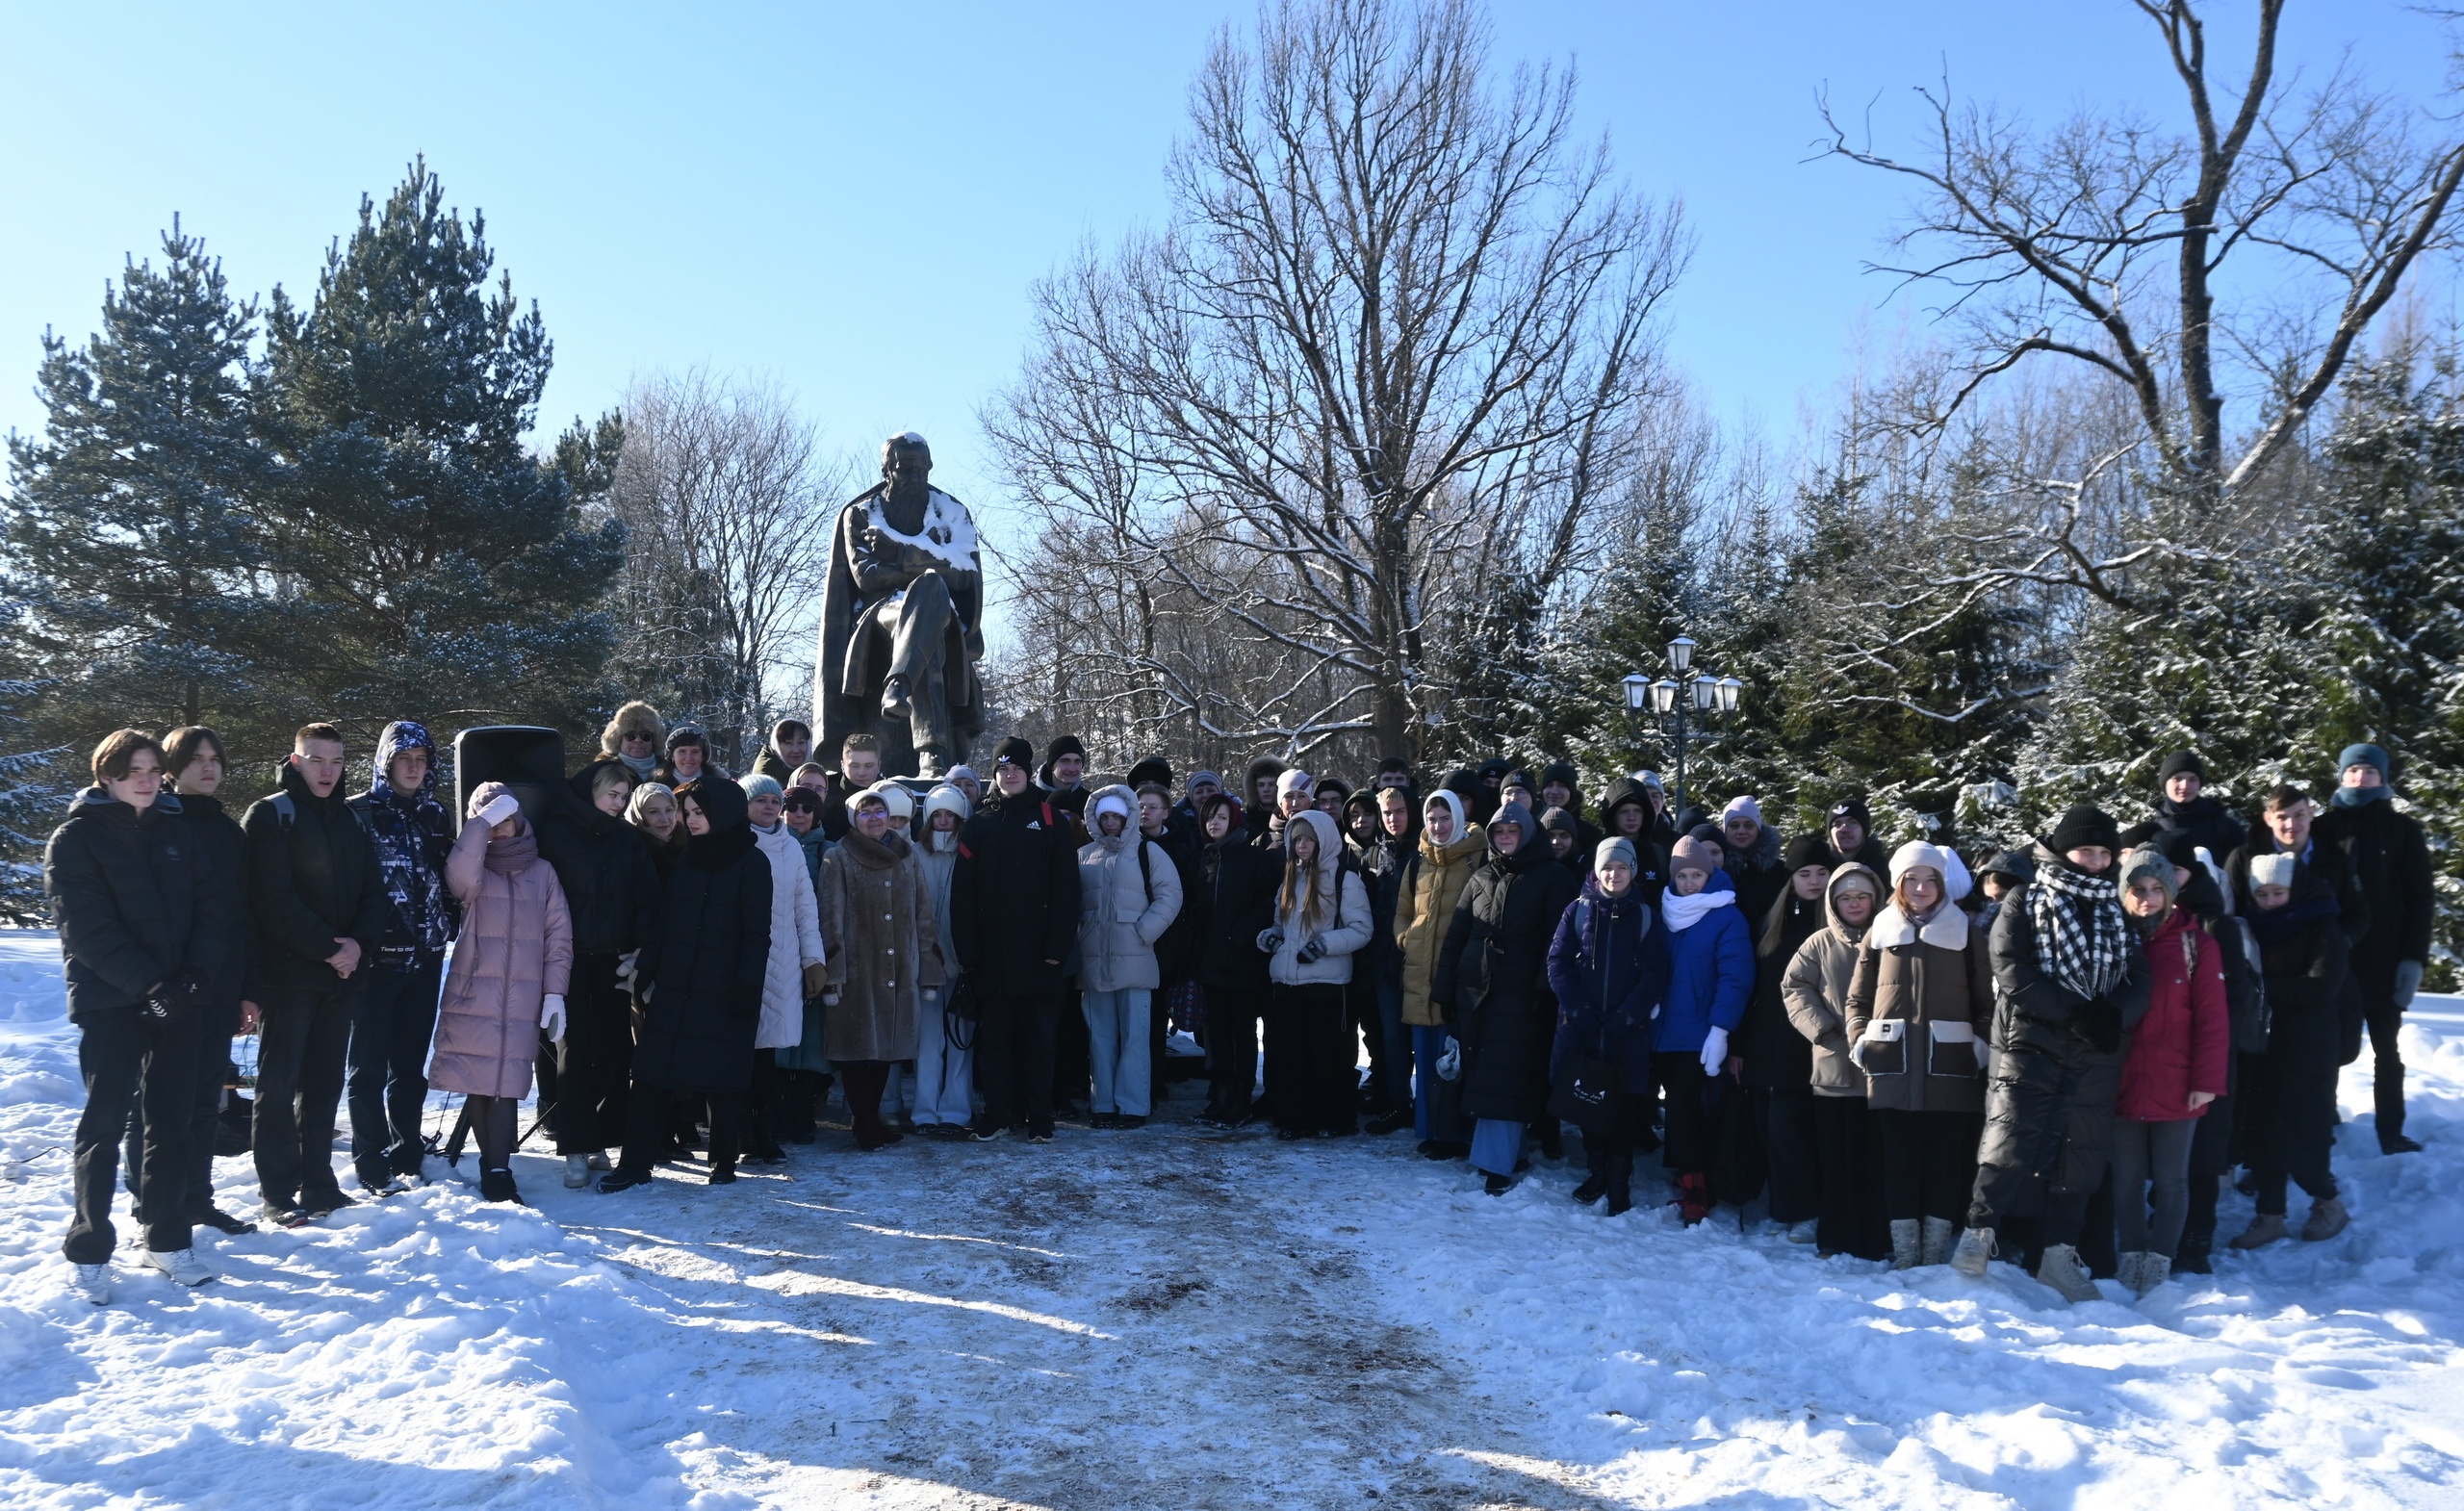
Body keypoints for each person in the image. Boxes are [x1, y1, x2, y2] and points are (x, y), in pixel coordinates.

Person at [53, 730, 227, 1301]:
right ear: (106, 775)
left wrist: (193, 978)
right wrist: (148, 986)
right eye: (133, 771)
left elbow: (210, 907)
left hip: (180, 999)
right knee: (104, 1125)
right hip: (112, 1003)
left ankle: (166, 1235)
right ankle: (89, 1246)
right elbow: (86, 929)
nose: (146, 780)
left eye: (153, 769)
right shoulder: (76, 839)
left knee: (170, 1121)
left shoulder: (178, 833)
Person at [1953, 806, 2152, 1303]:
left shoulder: (2116, 911)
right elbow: (2010, 968)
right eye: (2087, 850)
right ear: (2064, 850)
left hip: (2095, 1050)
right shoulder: (2026, 899)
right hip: (2031, 1040)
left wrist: (2113, 1015)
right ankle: (1977, 1237)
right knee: (2010, 1139)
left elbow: (2139, 978)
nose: (2096, 861)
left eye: (2105, 853)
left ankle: (2058, 1257)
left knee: (2081, 1154)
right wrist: (2075, 1012)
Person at [244, 723, 389, 1226]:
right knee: (279, 1086)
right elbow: (271, 902)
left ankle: (319, 1184)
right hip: (288, 977)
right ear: (296, 760)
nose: (327, 771)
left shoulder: (349, 820)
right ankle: (278, 1192)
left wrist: (359, 946)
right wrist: (332, 948)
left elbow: (374, 891)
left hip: (342, 978)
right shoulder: (269, 816)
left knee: (324, 1084)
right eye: (316, 759)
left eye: (336, 761)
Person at [603, 777, 772, 1191]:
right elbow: (665, 919)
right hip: (677, 983)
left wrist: (747, 986)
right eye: (688, 812)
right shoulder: (689, 858)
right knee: (650, 1074)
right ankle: (634, 1163)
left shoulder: (753, 863)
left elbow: (756, 933)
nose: (689, 820)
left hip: (725, 986)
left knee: (724, 1078)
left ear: (722, 813)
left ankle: (723, 1161)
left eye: (698, 812)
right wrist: (648, 968)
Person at [1845, 842, 1993, 1269]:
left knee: (1945, 1160)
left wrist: (1979, 1045)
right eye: (1913, 878)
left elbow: (1988, 1001)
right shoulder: (1880, 929)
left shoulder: (1966, 932)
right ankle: (1907, 1252)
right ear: (1899, 883)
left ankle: (1934, 1249)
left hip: (1951, 1065)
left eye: (1931, 879)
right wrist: (1860, 1038)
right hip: (1892, 1064)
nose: (1922, 887)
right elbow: (1858, 997)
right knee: (1899, 1161)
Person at [429, 784, 574, 1204]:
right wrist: (482, 822)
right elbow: (457, 877)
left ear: (520, 819)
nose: (498, 830)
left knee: (508, 1083)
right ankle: (492, 1170)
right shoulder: (474, 871)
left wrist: (554, 993)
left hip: (524, 998)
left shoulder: (543, 872)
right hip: (476, 993)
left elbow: (558, 938)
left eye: (505, 818)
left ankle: (499, 1169)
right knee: (479, 1081)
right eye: (489, 821)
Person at [141, 728, 256, 1239]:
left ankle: (198, 1200)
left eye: (215, 758)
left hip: (223, 985)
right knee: (164, 1105)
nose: (208, 768)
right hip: (171, 988)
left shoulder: (231, 831)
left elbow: (246, 916)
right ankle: (155, 1205)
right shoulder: (155, 823)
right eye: (196, 759)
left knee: (209, 1097)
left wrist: (251, 989)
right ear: (172, 766)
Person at [1433, 803, 1580, 1192]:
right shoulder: (1481, 876)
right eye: (1499, 832)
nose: (1505, 838)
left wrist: (1543, 991)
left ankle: (1496, 1161)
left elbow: (1559, 941)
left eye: (1512, 831)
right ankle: (1507, 1154)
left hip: (1521, 995)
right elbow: (1456, 937)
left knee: (1508, 1076)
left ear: (1528, 833)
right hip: (1474, 990)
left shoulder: (1553, 876)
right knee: (1487, 1074)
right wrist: (1444, 987)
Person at [2108, 846, 2229, 1295]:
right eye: (2137, 889)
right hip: (2120, 1080)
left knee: (2173, 1178)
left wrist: (2205, 1082)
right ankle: (2132, 1255)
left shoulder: (2195, 944)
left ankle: (2159, 1260)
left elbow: (2213, 1019)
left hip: (2177, 1082)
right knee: (2126, 1178)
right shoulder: (2112, 938)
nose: (2147, 898)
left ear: (2171, 892)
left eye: (2156, 888)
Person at [950, 736, 1083, 1142]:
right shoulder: (980, 823)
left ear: (1028, 772)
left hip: (1041, 958)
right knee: (995, 1043)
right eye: (1003, 769)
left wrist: (1057, 949)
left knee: (1040, 1041)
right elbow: (962, 894)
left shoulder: (1050, 820)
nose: (1010, 775)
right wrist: (968, 951)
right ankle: (997, 1113)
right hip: (992, 958)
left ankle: (1039, 1116)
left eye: (1018, 769)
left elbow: (1067, 891)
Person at [345, 720, 457, 1198]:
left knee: (410, 1068)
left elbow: (448, 876)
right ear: (386, 763)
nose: (413, 768)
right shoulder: (356, 813)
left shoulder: (435, 815)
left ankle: (406, 1148)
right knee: (367, 1068)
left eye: (421, 760)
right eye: (403, 760)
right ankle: (369, 1159)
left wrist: (448, 924)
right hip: (374, 963)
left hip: (425, 959)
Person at [537, 756, 661, 1188]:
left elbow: (647, 897)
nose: (618, 803)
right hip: (565, 958)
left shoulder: (627, 839)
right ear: (592, 790)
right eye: (612, 794)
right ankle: (574, 1143)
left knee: (613, 1052)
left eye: (624, 797)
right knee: (573, 1050)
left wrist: (642, 949)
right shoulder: (554, 832)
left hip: (613, 959)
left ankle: (601, 1140)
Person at [2229, 851, 2353, 1247]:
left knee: (2303, 1129)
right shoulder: (2252, 929)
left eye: (2277, 892)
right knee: (2263, 1129)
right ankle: (2270, 1214)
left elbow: (2323, 986)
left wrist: (2262, 990)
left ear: (2294, 889)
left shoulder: (2322, 926)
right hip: (2263, 1042)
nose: (2269, 901)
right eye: (2261, 894)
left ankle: (2327, 1200)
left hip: (2309, 1045)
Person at [2316, 744, 2434, 1154]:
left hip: (2385, 958)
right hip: (2334, 954)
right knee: (2326, 1044)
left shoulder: (2403, 830)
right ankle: (2322, 1116)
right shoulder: (2322, 828)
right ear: (2341, 776)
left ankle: (2391, 1131)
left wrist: (2413, 959)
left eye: (2368, 773)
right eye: (2353, 772)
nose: (2360, 779)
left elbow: (2421, 899)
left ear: (2383, 779)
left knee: (2388, 1048)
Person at [1546, 837, 1673, 1215]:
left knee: (1623, 1108)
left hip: (1626, 1032)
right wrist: (1577, 1008)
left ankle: (1619, 1181)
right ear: (1596, 871)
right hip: (1582, 1028)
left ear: (1632, 870)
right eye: (1607, 867)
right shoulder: (1578, 911)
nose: (1613, 874)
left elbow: (1656, 973)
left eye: (1621, 867)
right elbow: (1558, 962)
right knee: (1588, 1103)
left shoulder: (1646, 915)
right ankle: (1597, 1171)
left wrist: (1628, 1015)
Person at [818, 789, 944, 1149]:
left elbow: (923, 913)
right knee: (860, 1051)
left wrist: (930, 969)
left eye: (879, 812)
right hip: (859, 971)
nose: (873, 819)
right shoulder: (838, 857)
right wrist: (835, 975)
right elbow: (831, 919)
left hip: (900, 968)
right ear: (853, 818)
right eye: (865, 812)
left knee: (886, 1049)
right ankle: (864, 1122)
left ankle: (870, 1120)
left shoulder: (907, 857)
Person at [1782, 863, 1889, 1259]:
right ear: (1833, 902)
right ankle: (1836, 1237)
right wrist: (1824, 1031)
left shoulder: (1893, 938)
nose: (1855, 903)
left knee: (1876, 1159)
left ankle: (1877, 1239)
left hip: (1885, 1071)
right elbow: (1793, 987)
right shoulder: (1819, 944)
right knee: (1837, 1160)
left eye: (1862, 896)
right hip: (1835, 1072)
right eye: (1846, 897)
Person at [1655, 833, 1755, 1224]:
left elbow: (1736, 977)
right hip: (1661, 1030)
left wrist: (1720, 1029)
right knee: (1675, 1110)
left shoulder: (1726, 915)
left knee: (1683, 1107)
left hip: (1699, 1033)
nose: (1690, 883)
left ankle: (1697, 1187)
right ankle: (1685, 1172)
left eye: (1697, 874)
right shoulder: (1665, 910)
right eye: (1683, 877)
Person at [1258, 808, 1374, 1140]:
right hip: (1288, 982)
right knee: (1290, 1057)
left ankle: (1333, 1119)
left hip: (1327, 983)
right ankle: (1294, 1119)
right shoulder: (1290, 879)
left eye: (1309, 839)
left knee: (1328, 1057)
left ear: (1323, 841)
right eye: (1297, 840)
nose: (1302, 846)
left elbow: (1362, 929)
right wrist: (1270, 937)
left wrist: (1324, 945)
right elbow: (1281, 925)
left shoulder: (1344, 879)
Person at [1738, 835, 1831, 1243]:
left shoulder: (1835, 926)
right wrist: (1739, 1045)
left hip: (1809, 1047)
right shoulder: (1772, 923)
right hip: (1763, 1043)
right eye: (1804, 874)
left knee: (1792, 1130)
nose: (1812, 881)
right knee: (1766, 1129)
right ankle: (1784, 1206)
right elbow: (1752, 988)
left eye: (1821, 873)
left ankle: (1805, 1210)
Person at [1076, 785, 1184, 1129]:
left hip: (1136, 958)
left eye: (1116, 816)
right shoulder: (1083, 855)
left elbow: (1170, 896)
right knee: (1100, 1036)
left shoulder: (1148, 852)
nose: (1110, 822)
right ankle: (1103, 1104)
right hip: (1094, 959)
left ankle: (1134, 1106)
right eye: (1104, 816)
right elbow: (1072, 904)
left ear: (1128, 817)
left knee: (1136, 1036)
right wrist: (1081, 936)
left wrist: (1143, 931)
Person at [1395, 788, 1486, 1156]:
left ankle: (1455, 1134)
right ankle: (1429, 1129)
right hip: (1419, 974)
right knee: (1427, 1056)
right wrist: (1406, 939)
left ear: (1458, 819)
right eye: (1432, 819)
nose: (1438, 825)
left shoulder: (1476, 857)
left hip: (1458, 977)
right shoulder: (1418, 860)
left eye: (1445, 818)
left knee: (1455, 1058)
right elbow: (1402, 909)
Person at [742, 774, 828, 1163]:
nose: (768, 807)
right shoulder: (734, 842)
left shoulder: (791, 847)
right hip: (739, 960)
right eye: (759, 800)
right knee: (739, 1053)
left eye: (773, 800)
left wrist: (813, 960)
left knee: (767, 1056)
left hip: (783, 960)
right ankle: (738, 1133)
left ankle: (764, 1131)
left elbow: (805, 908)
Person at [1191, 792, 1278, 1128]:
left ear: (1234, 821)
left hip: (1242, 963)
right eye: (1210, 816)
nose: (1215, 822)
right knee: (1218, 1035)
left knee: (1242, 1034)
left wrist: (1238, 936)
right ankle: (1222, 1095)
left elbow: (1267, 903)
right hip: (1210, 963)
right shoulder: (1203, 859)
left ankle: (1241, 1097)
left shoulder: (1255, 858)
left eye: (1222, 817)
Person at [911, 783, 975, 1136]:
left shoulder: (970, 853)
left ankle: (956, 1110)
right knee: (927, 1041)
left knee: (961, 1040)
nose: (944, 821)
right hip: (926, 963)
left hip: (962, 960)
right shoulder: (914, 854)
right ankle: (924, 1112)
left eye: (950, 814)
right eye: (937, 814)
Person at [1356, 785, 1417, 1131]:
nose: (1394, 819)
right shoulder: (1371, 857)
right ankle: (1392, 1096)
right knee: (1386, 1036)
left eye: (1400, 811)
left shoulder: (1423, 854)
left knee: (1410, 1038)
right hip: (1380, 961)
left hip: (1416, 959)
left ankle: (1410, 1101)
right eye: (1388, 813)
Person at [2119, 752, 2247, 863]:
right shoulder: (2149, 831)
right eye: (2177, 779)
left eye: (2192, 779)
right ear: (2165, 783)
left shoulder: (2225, 827)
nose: (2185, 785)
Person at [1594, 777, 1672, 904]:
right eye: (1624, 811)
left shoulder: (1658, 855)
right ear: (1613, 816)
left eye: (1637, 811)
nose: (1632, 817)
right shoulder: (1596, 854)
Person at [1720, 797, 1788, 924]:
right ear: (1725, 830)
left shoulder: (1780, 871)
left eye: (1749, 825)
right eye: (1734, 826)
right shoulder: (1717, 869)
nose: (1741, 831)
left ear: (1758, 829)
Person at [821, 732, 886, 842]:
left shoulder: (890, 794)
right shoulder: (825, 792)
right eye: (854, 766)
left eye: (869, 766)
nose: (862, 773)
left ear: (879, 766)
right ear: (842, 765)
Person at [627, 781, 687, 883]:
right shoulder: (630, 849)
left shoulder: (690, 845)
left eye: (669, 810)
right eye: (653, 812)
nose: (664, 819)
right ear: (639, 815)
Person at [602, 701, 666, 783]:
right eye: (630, 736)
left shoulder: (670, 771)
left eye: (645, 736)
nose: (638, 740)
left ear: (654, 741)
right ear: (618, 740)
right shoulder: (603, 771)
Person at [1822, 798, 1889, 871]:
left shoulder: (1887, 870)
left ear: (1864, 829)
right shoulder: (1819, 871)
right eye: (1837, 824)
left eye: (1852, 823)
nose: (1844, 830)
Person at [1039, 734, 1091, 824]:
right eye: (1064, 761)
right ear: (1052, 765)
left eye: (1077, 761)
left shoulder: (1088, 802)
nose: (1072, 769)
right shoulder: (1032, 800)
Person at [654, 724, 722, 789]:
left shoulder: (718, 785)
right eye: (682, 751)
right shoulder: (656, 787)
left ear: (703, 756)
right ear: (672, 756)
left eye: (695, 752)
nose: (688, 758)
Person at [752, 718, 813, 784]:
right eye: (789, 743)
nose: (796, 750)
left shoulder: (812, 771)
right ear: (777, 745)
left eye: (801, 742)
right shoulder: (766, 776)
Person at [1243, 758, 1287, 842]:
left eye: (1271, 784)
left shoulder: (1289, 819)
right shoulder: (1245, 823)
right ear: (1253, 787)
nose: (1266, 789)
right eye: (1261, 785)